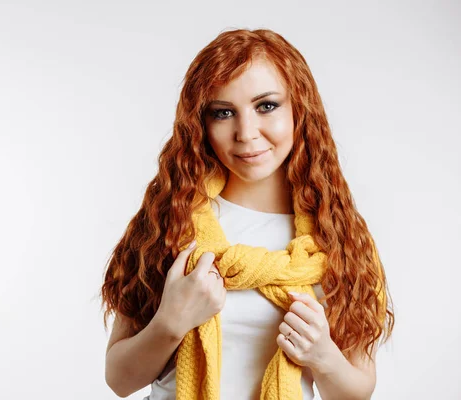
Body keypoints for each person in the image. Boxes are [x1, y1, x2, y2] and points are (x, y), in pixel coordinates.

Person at [100, 28, 394, 400]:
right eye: (223, 113)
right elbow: (120, 380)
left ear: (299, 108)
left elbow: (357, 391)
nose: (246, 132)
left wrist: (323, 357)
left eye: (266, 106)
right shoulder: (170, 219)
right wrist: (171, 322)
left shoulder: (338, 234)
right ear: (201, 125)